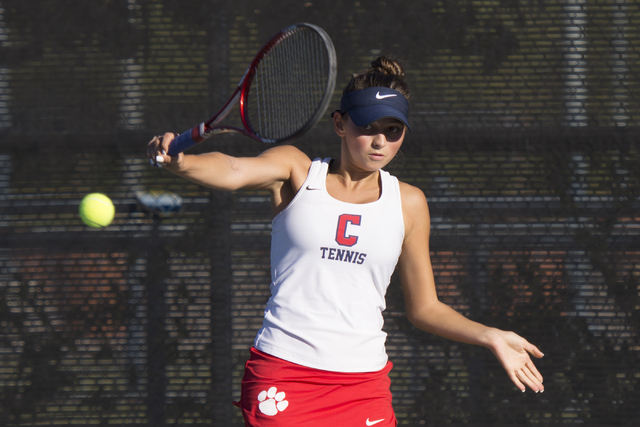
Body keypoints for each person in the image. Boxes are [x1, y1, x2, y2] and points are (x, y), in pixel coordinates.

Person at [147, 56, 544, 427]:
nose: (379, 142)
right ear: (340, 124)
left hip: (364, 386)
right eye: (367, 126)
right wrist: (184, 162)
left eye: (392, 131)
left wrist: (489, 335)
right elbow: (233, 169)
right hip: (285, 372)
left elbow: (425, 308)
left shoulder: (409, 202)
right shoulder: (296, 170)